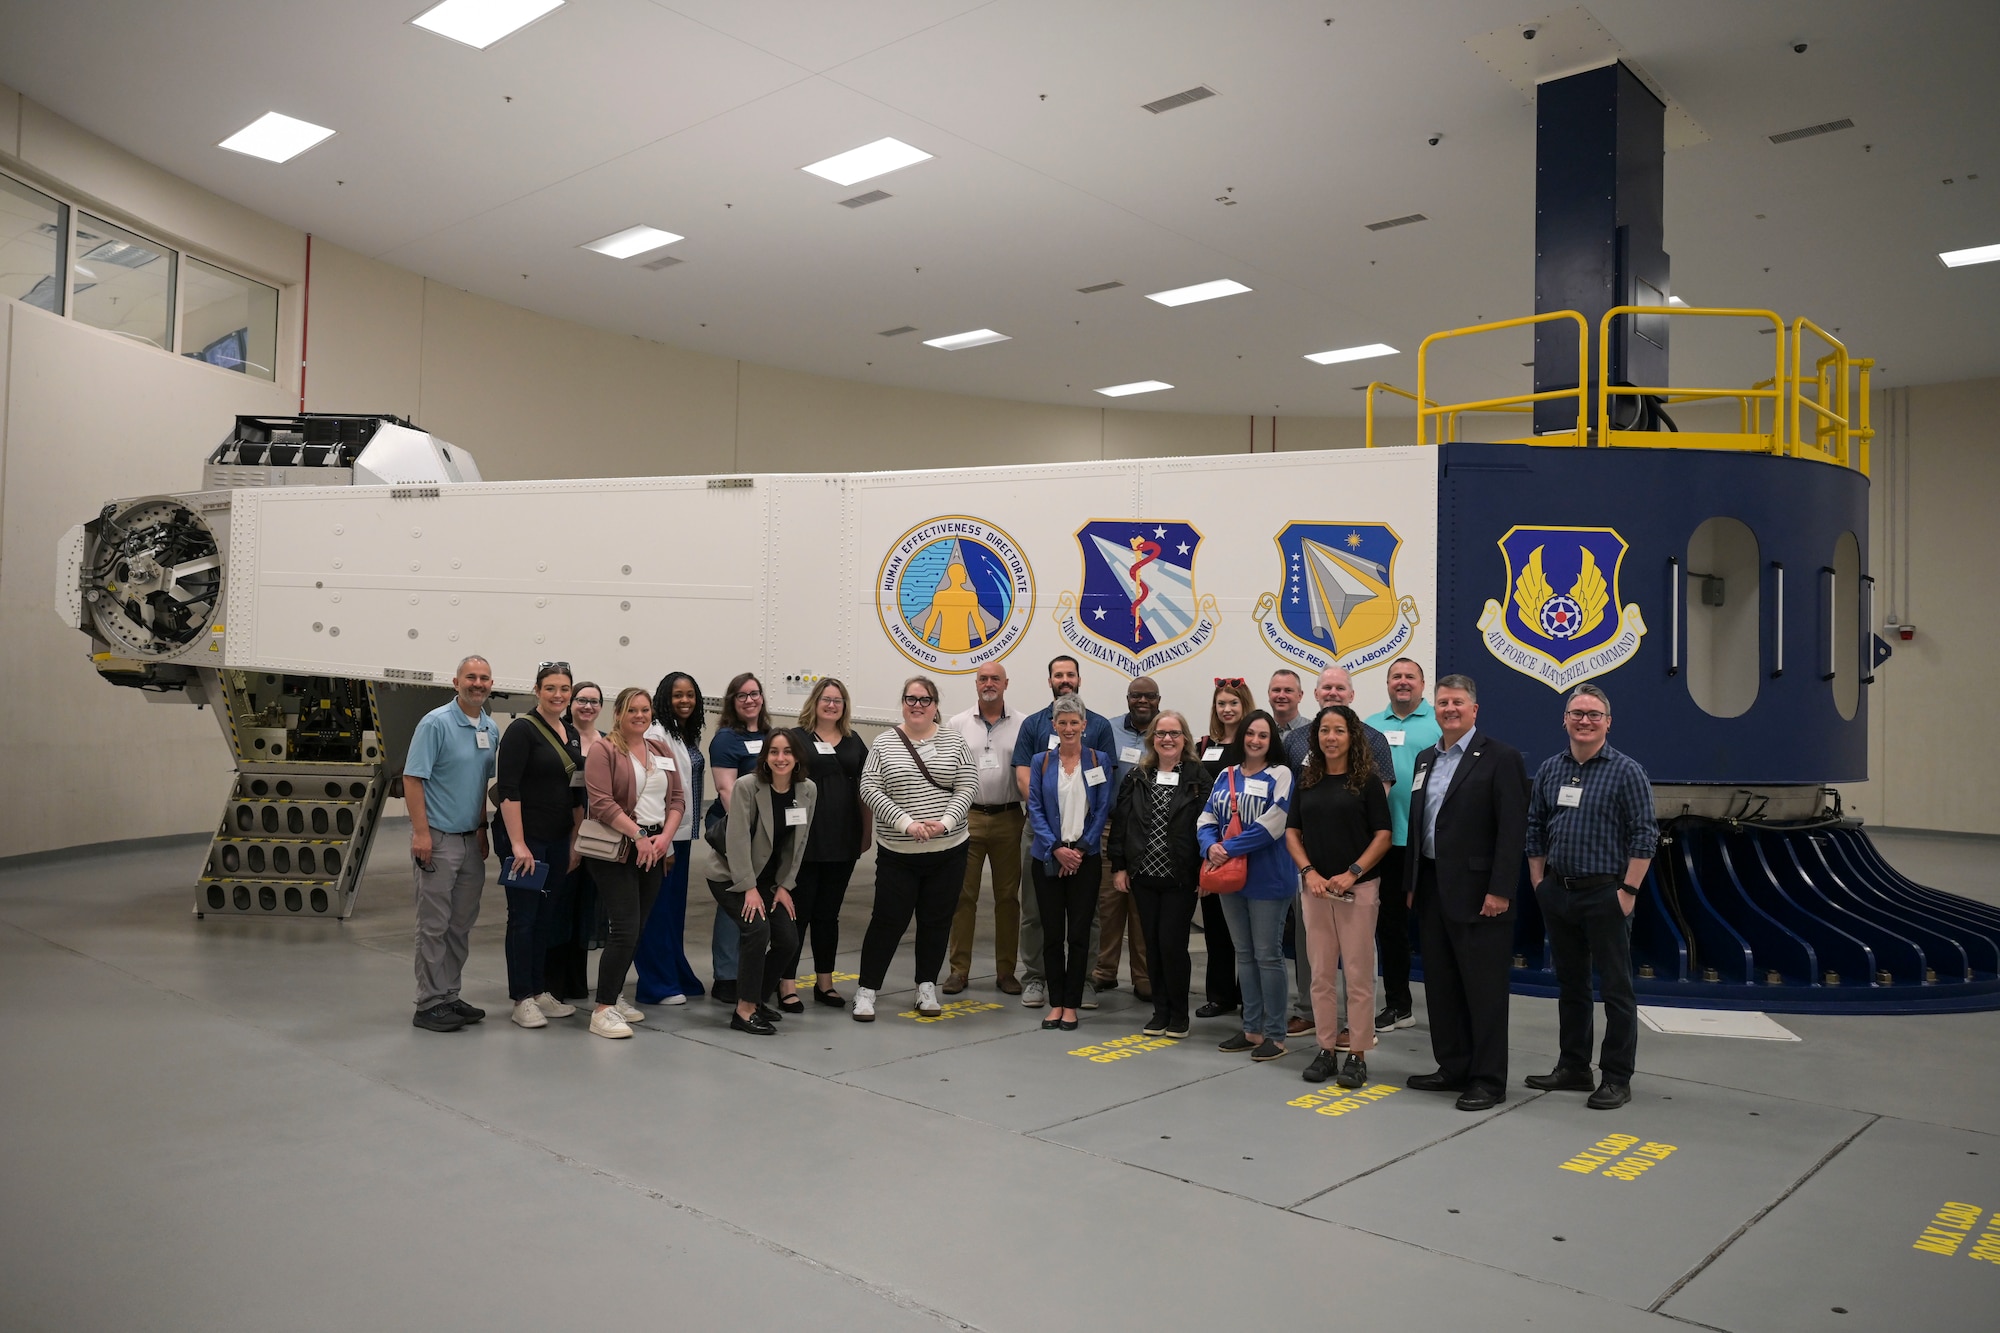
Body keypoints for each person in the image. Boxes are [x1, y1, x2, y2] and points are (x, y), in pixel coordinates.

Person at [1524, 685, 1658, 1110]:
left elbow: (1645, 835)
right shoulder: (1550, 769)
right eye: (1577, 713)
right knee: (1572, 986)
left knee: (1617, 991)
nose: (1585, 720)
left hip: (1606, 894)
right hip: (1559, 893)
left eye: (1594, 714)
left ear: (1608, 722)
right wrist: (1539, 883)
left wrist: (1629, 892)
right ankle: (1574, 1067)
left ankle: (1617, 1077)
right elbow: (1535, 827)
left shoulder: (1626, 771)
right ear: (1564, 719)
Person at [1404, 675, 1528, 1110]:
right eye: (1442, 703)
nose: (1449, 709)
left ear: (1474, 709)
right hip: (1434, 889)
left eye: (1457, 702)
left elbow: (1513, 831)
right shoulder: (1425, 760)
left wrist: (1500, 890)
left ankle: (1488, 1079)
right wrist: (1412, 885)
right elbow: (1419, 825)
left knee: (1484, 990)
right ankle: (1452, 1065)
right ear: (1434, 709)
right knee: (1441, 985)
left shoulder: (1501, 758)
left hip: (1480, 895)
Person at [1282, 666, 1397, 1043]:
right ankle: (1327, 1047)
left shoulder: (1366, 781)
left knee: (1359, 975)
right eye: (1324, 731)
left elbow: (1382, 835)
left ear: (1352, 736)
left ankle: (1358, 1051)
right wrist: (1309, 873)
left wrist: (1352, 873)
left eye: (1339, 731)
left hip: (1356, 890)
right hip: (1315, 890)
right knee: (1320, 976)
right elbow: (1292, 832)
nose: (1331, 737)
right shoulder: (1308, 779)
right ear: (1316, 737)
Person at [853, 676, 978, 1022]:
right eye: (911, 699)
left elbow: (967, 785)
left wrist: (945, 823)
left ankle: (926, 987)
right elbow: (870, 788)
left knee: (936, 922)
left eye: (925, 700)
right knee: (887, 921)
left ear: (936, 706)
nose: (917, 705)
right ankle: (867, 991)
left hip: (948, 850)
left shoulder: (954, 741)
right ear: (903, 703)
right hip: (899, 854)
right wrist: (907, 823)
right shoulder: (884, 743)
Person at [1010, 656, 1116, 1010]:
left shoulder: (1100, 728)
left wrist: (1081, 847)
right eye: (1059, 674)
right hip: (1043, 838)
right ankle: (1036, 977)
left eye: (1071, 674)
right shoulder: (1033, 727)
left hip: (1084, 845)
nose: (1065, 679)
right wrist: (1054, 843)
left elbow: (1103, 798)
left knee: (1088, 917)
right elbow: (1029, 786)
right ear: (1050, 680)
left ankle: (1082, 981)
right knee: (1036, 913)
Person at [583, 687, 686, 1039]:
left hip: (653, 849)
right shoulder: (604, 749)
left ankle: (615, 996)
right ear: (619, 714)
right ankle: (602, 1010)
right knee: (624, 929)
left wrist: (663, 838)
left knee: (638, 929)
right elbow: (601, 803)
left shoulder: (659, 749)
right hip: (619, 850)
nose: (640, 716)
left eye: (645, 710)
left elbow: (676, 799)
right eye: (632, 710)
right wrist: (640, 836)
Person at [403, 655, 499, 1032]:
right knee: (434, 924)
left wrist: (481, 830)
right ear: (455, 681)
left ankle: (449, 995)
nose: (478, 683)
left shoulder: (490, 728)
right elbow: (413, 779)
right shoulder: (435, 723)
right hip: (439, 839)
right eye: (471, 677)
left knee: (460, 924)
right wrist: (421, 833)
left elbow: (479, 787)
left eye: (484, 678)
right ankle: (428, 1003)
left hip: (469, 840)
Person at [1197, 710, 1296, 1062]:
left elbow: (1277, 821)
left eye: (1263, 735)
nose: (1255, 740)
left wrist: (1227, 849)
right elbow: (1207, 816)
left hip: (1268, 878)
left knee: (1268, 956)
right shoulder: (1226, 774)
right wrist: (1209, 846)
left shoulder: (1281, 774)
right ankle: (1252, 1028)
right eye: (1250, 734)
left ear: (1272, 742)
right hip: (1229, 878)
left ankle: (1276, 1034)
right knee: (1244, 954)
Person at [493, 662, 586, 1030]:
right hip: (526, 841)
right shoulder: (521, 731)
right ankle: (522, 998)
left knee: (547, 918)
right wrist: (518, 844)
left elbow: (577, 792)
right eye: (551, 688)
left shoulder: (572, 734)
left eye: (564, 688)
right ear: (537, 690)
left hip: (559, 838)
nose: (558, 695)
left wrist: (576, 840)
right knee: (523, 918)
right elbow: (508, 790)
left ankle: (539, 988)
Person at [1108, 710, 1210, 1039]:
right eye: (1161, 733)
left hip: (1180, 877)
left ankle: (1179, 1015)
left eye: (1175, 733)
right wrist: (1119, 865)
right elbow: (1122, 822)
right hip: (1143, 875)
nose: (1167, 739)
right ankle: (1160, 1012)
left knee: (1172, 945)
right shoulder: (1138, 775)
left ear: (1185, 739)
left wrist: (1206, 869)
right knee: (1150, 945)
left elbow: (1210, 824)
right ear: (1153, 738)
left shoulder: (1198, 777)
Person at [709, 728, 816, 1035]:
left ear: (796, 757)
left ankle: (756, 999)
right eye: (774, 752)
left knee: (788, 940)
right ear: (765, 757)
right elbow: (738, 838)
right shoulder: (747, 786)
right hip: (731, 875)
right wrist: (749, 888)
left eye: (786, 752)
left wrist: (784, 886)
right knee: (757, 930)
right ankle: (743, 1011)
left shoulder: (807, 789)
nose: (780, 758)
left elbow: (799, 841)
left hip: (769, 880)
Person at [1364, 657, 1442, 1032]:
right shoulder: (1371, 726)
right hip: (1386, 841)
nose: (1403, 682)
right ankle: (1399, 1004)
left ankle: (1448, 1005)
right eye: (1396, 676)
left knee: (1434, 927)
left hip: (1429, 843)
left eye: (1410, 676)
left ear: (1423, 684)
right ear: (1387, 683)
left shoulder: (1438, 723)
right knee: (1390, 928)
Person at [945, 663, 1025, 996]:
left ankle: (1006, 971)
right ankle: (958, 971)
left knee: (1008, 898)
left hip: (1009, 818)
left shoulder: (1024, 724)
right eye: (983, 679)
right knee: (963, 897)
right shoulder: (957, 724)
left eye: (995, 678)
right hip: (968, 818)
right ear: (976, 684)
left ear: (1006, 683)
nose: (989, 683)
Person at [794, 679, 868, 1007]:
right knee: (798, 914)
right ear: (815, 701)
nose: (832, 705)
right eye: (826, 699)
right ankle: (786, 984)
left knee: (829, 914)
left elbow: (867, 789)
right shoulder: (796, 738)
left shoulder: (854, 741)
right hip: (805, 841)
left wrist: (866, 833)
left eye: (838, 700)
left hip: (843, 839)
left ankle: (825, 983)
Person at [635, 671, 707, 1005]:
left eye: (690, 694)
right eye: (678, 695)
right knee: (656, 911)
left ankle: (675, 972)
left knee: (673, 911)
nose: (685, 700)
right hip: (665, 838)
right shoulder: (656, 735)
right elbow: (655, 791)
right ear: (664, 697)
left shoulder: (680, 733)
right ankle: (655, 984)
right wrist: (664, 843)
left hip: (682, 837)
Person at [706, 672, 773, 1006]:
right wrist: (745, 832)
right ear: (732, 701)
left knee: (759, 899)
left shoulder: (771, 735)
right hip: (737, 829)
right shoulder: (725, 740)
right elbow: (725, 789)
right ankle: (727, 976)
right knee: (734, 900)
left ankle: (751, 974)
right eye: (742, 695)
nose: (750, 700)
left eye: (755, 693)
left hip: (767, 832)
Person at [1193, 677, 1254, 1020]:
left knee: (1247, 930)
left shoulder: (1256, 744)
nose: (1227, 709)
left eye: (1233, 702)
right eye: (1221, 704)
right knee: (1216, 928)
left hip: (1247, 848)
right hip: (1213, 848)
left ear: (1245, 705)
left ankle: (1250, 996)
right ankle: (1220, 995)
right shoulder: (1205, 746)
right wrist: (1205, 851)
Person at [1095, 676, 1159, 999]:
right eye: (1137, 696)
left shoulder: (1165, 732)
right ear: (1128, 698)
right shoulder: (1108, 729)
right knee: (1108, 902)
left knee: (1141, 906)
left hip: (1150, 832)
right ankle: (1104, 971)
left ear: (1158, 700)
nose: (1142, 701)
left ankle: (1144, 976)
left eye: (1149, 696)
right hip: (1111, 826)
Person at [543, 681, 607, 1002]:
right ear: (571, 703)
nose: (587, 706)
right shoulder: (559, 738)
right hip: (564, 835)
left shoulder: (608, 742)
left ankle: (576, 982)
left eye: (594, 701)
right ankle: (552, 984)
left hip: (599, 839)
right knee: (559, 909)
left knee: (586, 909)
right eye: (581, 700)